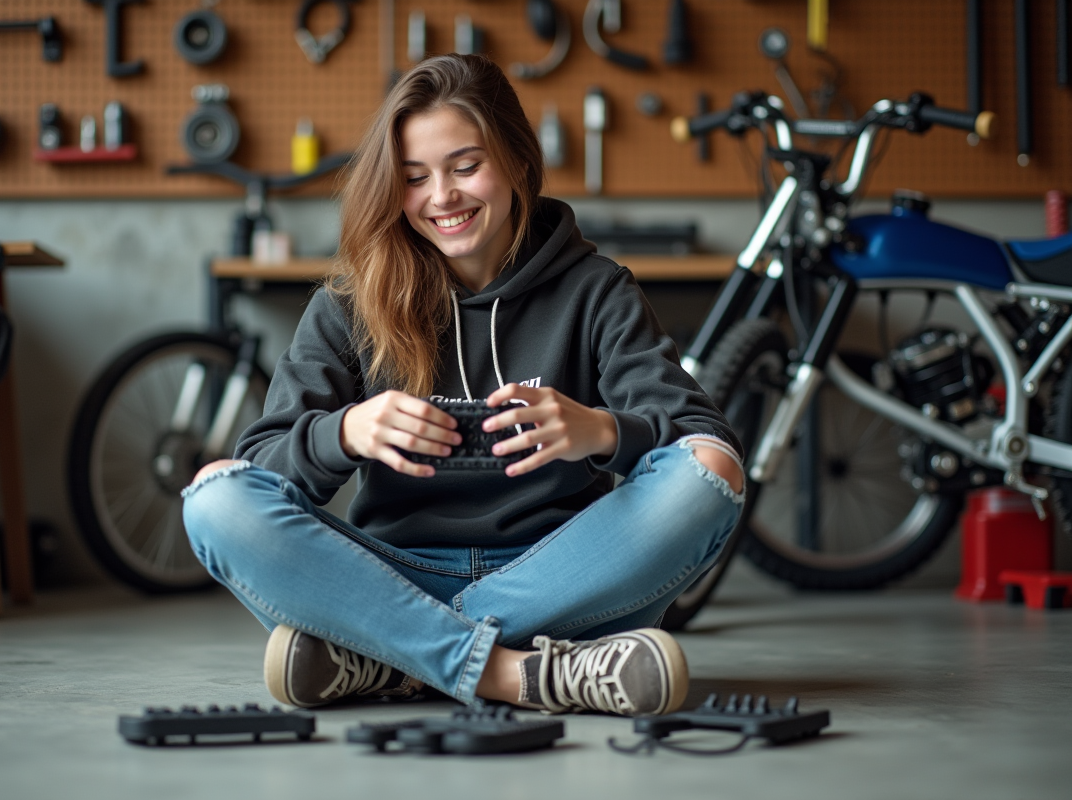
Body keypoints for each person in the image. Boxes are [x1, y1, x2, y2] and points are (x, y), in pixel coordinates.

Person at [182, 54, 744, 717]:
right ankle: (517, 675)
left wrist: (601, 431)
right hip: (393, 577)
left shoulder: (596, 290)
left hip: (564, 581)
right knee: (214, 496)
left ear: (515, 162)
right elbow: (260, 466)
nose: (441, 197)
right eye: (414, 178)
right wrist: (345, 432)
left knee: (714, 472)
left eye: (465, 166)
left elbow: (702, 441)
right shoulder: (350, 302)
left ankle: (387, 660)